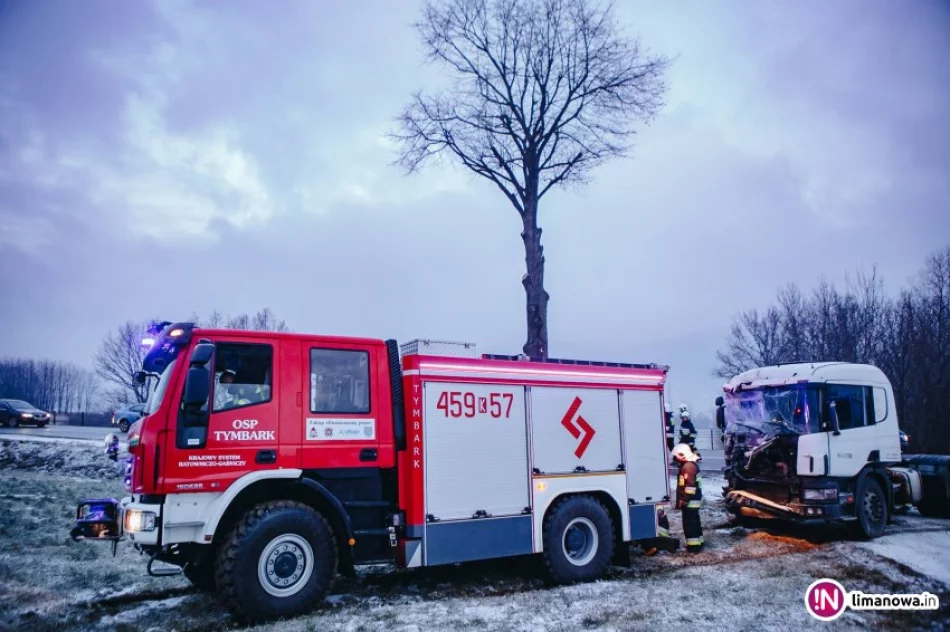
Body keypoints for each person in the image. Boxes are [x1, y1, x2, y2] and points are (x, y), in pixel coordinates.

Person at [672, 443, 704, 553]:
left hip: (690, 501)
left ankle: (693, 547)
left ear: (682, 455)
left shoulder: (688, 467)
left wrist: (684, 500)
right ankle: (699, 542)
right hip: (693, 500)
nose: (675, 459)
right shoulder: (690, 465)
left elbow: (690, 486)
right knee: (694, 522)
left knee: (690, 524)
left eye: (676, 456)